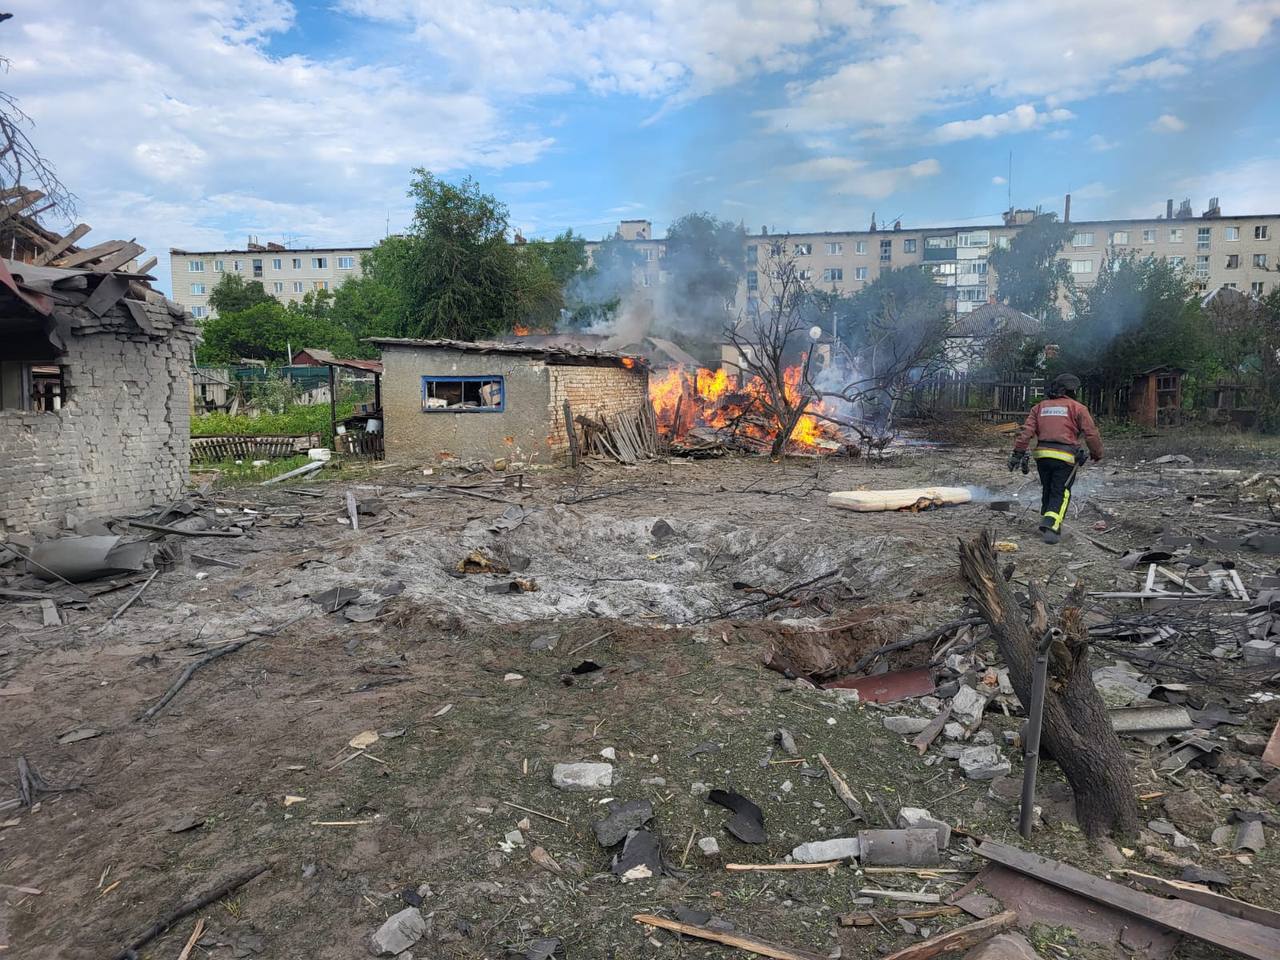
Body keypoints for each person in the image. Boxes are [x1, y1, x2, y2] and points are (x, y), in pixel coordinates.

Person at [1008, 374, 1103, 544]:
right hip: (1065, 458)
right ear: (1072, 390)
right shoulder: (1078, 408)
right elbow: (1091, 433)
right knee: (1061, 491)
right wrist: (1096, 453)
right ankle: (1052, 527)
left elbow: (1026, 433)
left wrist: (1017, 454)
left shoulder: (1039, 407)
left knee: (1048, 489)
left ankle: (1045, 520)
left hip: (1042, 456)